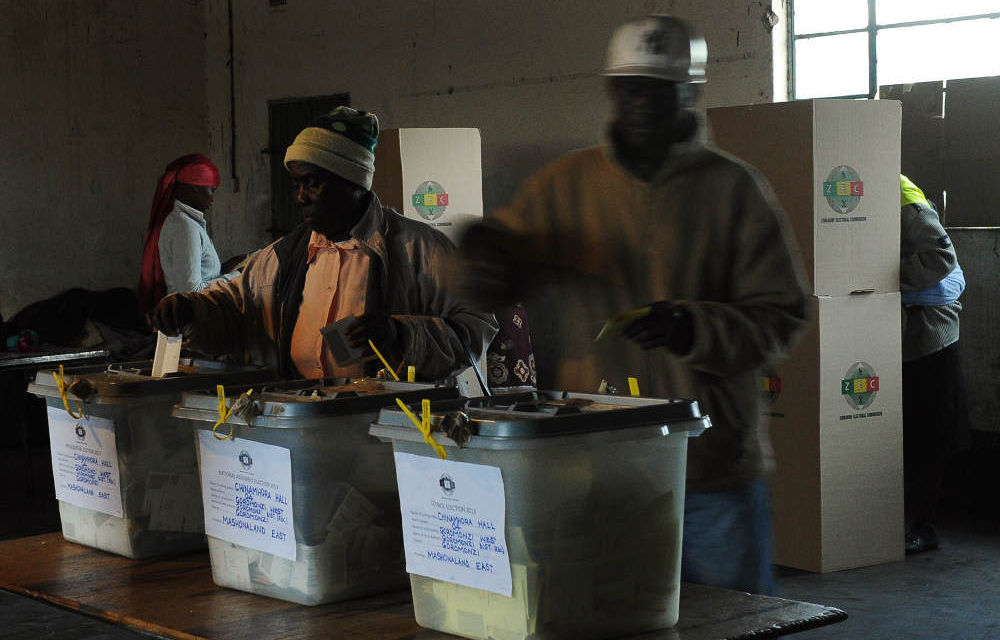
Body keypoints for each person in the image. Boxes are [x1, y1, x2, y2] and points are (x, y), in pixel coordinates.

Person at [455, 15, 808, 595]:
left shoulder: (735, 191)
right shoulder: (564, 185)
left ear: (689, 95)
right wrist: (481, 257)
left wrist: (695, 327)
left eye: (660, 90)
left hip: (710, 470)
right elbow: (496, 276)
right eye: (630, 88)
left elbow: (780, 316)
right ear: (611, 92)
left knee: (729, 620)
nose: (642, 104)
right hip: (596, 469)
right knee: (607, 620)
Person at [150, 107, 496, 381]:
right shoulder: (283, 257)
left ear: (354, 183)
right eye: (296, 184)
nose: (300, 197)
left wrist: (401, 334)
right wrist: (192, 310)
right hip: (306, 429)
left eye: (313, 183)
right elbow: (237, 304)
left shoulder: (422, 251)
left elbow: (476, 329)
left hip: (386, 432)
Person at [898, 174, 969, 554]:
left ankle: (922, 526)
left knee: (932, 431)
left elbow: (941, 260)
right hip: (904, 329)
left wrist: (873, 274)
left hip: (931, 332)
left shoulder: (900, 192)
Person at [137, 154, 240, 315]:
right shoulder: (184, 227)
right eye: (211, 190)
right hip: (190, 321)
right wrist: (238, 276)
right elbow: (191, 291)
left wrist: (228, 266)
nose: (212, 198)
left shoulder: (187, 223)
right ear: (195, 187)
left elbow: (198, 276)